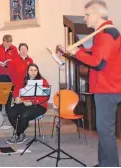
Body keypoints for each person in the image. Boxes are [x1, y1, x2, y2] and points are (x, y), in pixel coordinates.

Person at [62, 0, 121, 166]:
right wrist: (74, 53)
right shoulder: (105, 33)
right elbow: (97, 54)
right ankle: (104, 163)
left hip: (108, 89)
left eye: (87, 15)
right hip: (106, 87)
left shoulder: (107, 33)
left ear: (97, 15)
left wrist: (78, 52)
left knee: (105, 131)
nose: (84, 18)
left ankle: (110, 165)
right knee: (103, 131)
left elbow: (99, 62)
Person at [6, 64, 49, 144]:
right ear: (28, 72)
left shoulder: (43, 81)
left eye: (35, 70)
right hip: (24, 103)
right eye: (31, 70)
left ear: (38, 71)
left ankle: (17, 134)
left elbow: (45, 97)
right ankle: (21, 133)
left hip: (40, 105)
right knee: (10, 112)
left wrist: (32, 102)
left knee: (24, 115)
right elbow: (16, 90)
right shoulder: (23, 80)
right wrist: (16, 98)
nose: (33, 72)